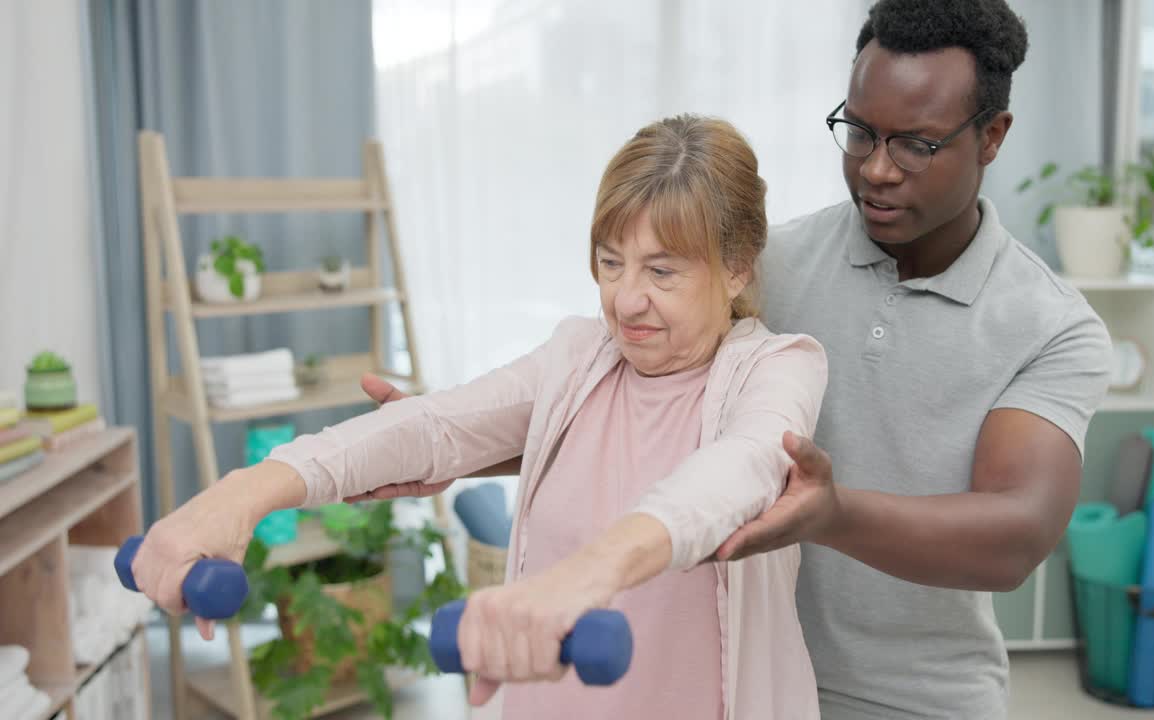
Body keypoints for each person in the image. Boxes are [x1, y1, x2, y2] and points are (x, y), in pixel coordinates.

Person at [362, 1, 1112, 717]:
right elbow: (624, 410)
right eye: (859, 133)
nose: (877, 170)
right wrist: (455, 448)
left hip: (917, 700)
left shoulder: (1050, 328)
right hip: (737, 677)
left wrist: (832, 512)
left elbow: (1014, 535)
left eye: (916, 143)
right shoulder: (761, 262)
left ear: (992, 135)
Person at [130, 115, 828, 719]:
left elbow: (730, 479)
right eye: (612, 263)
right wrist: (239, 497)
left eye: (663, 272)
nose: (625, 300)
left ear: (736, 267)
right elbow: (435, 424)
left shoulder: (779, 368)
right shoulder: (578, 356)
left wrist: (582, 579)